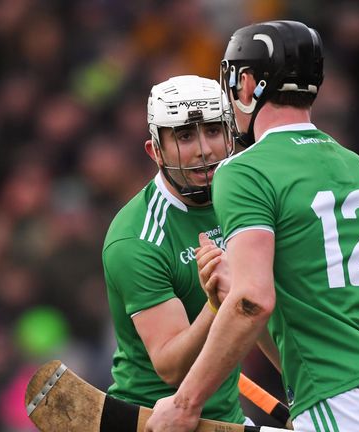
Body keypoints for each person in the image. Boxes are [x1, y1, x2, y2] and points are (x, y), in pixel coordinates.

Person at [145, 21, 359, 431]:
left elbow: (254, 301)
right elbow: (306, 300)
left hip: (341, 401)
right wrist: (234, 285)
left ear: (247, 84)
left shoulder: (245, 170)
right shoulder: (357, 167)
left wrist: (186, 403)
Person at [101, 75, 245, 424]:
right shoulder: (136, 239)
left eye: (213, 130)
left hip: (228, 419)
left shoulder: (244, 201)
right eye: (184, 136)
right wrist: (217, 303)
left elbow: (260, 308)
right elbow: (170, 366)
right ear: (155, 151)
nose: (203, 149)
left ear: (231, 135)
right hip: (156, 419)